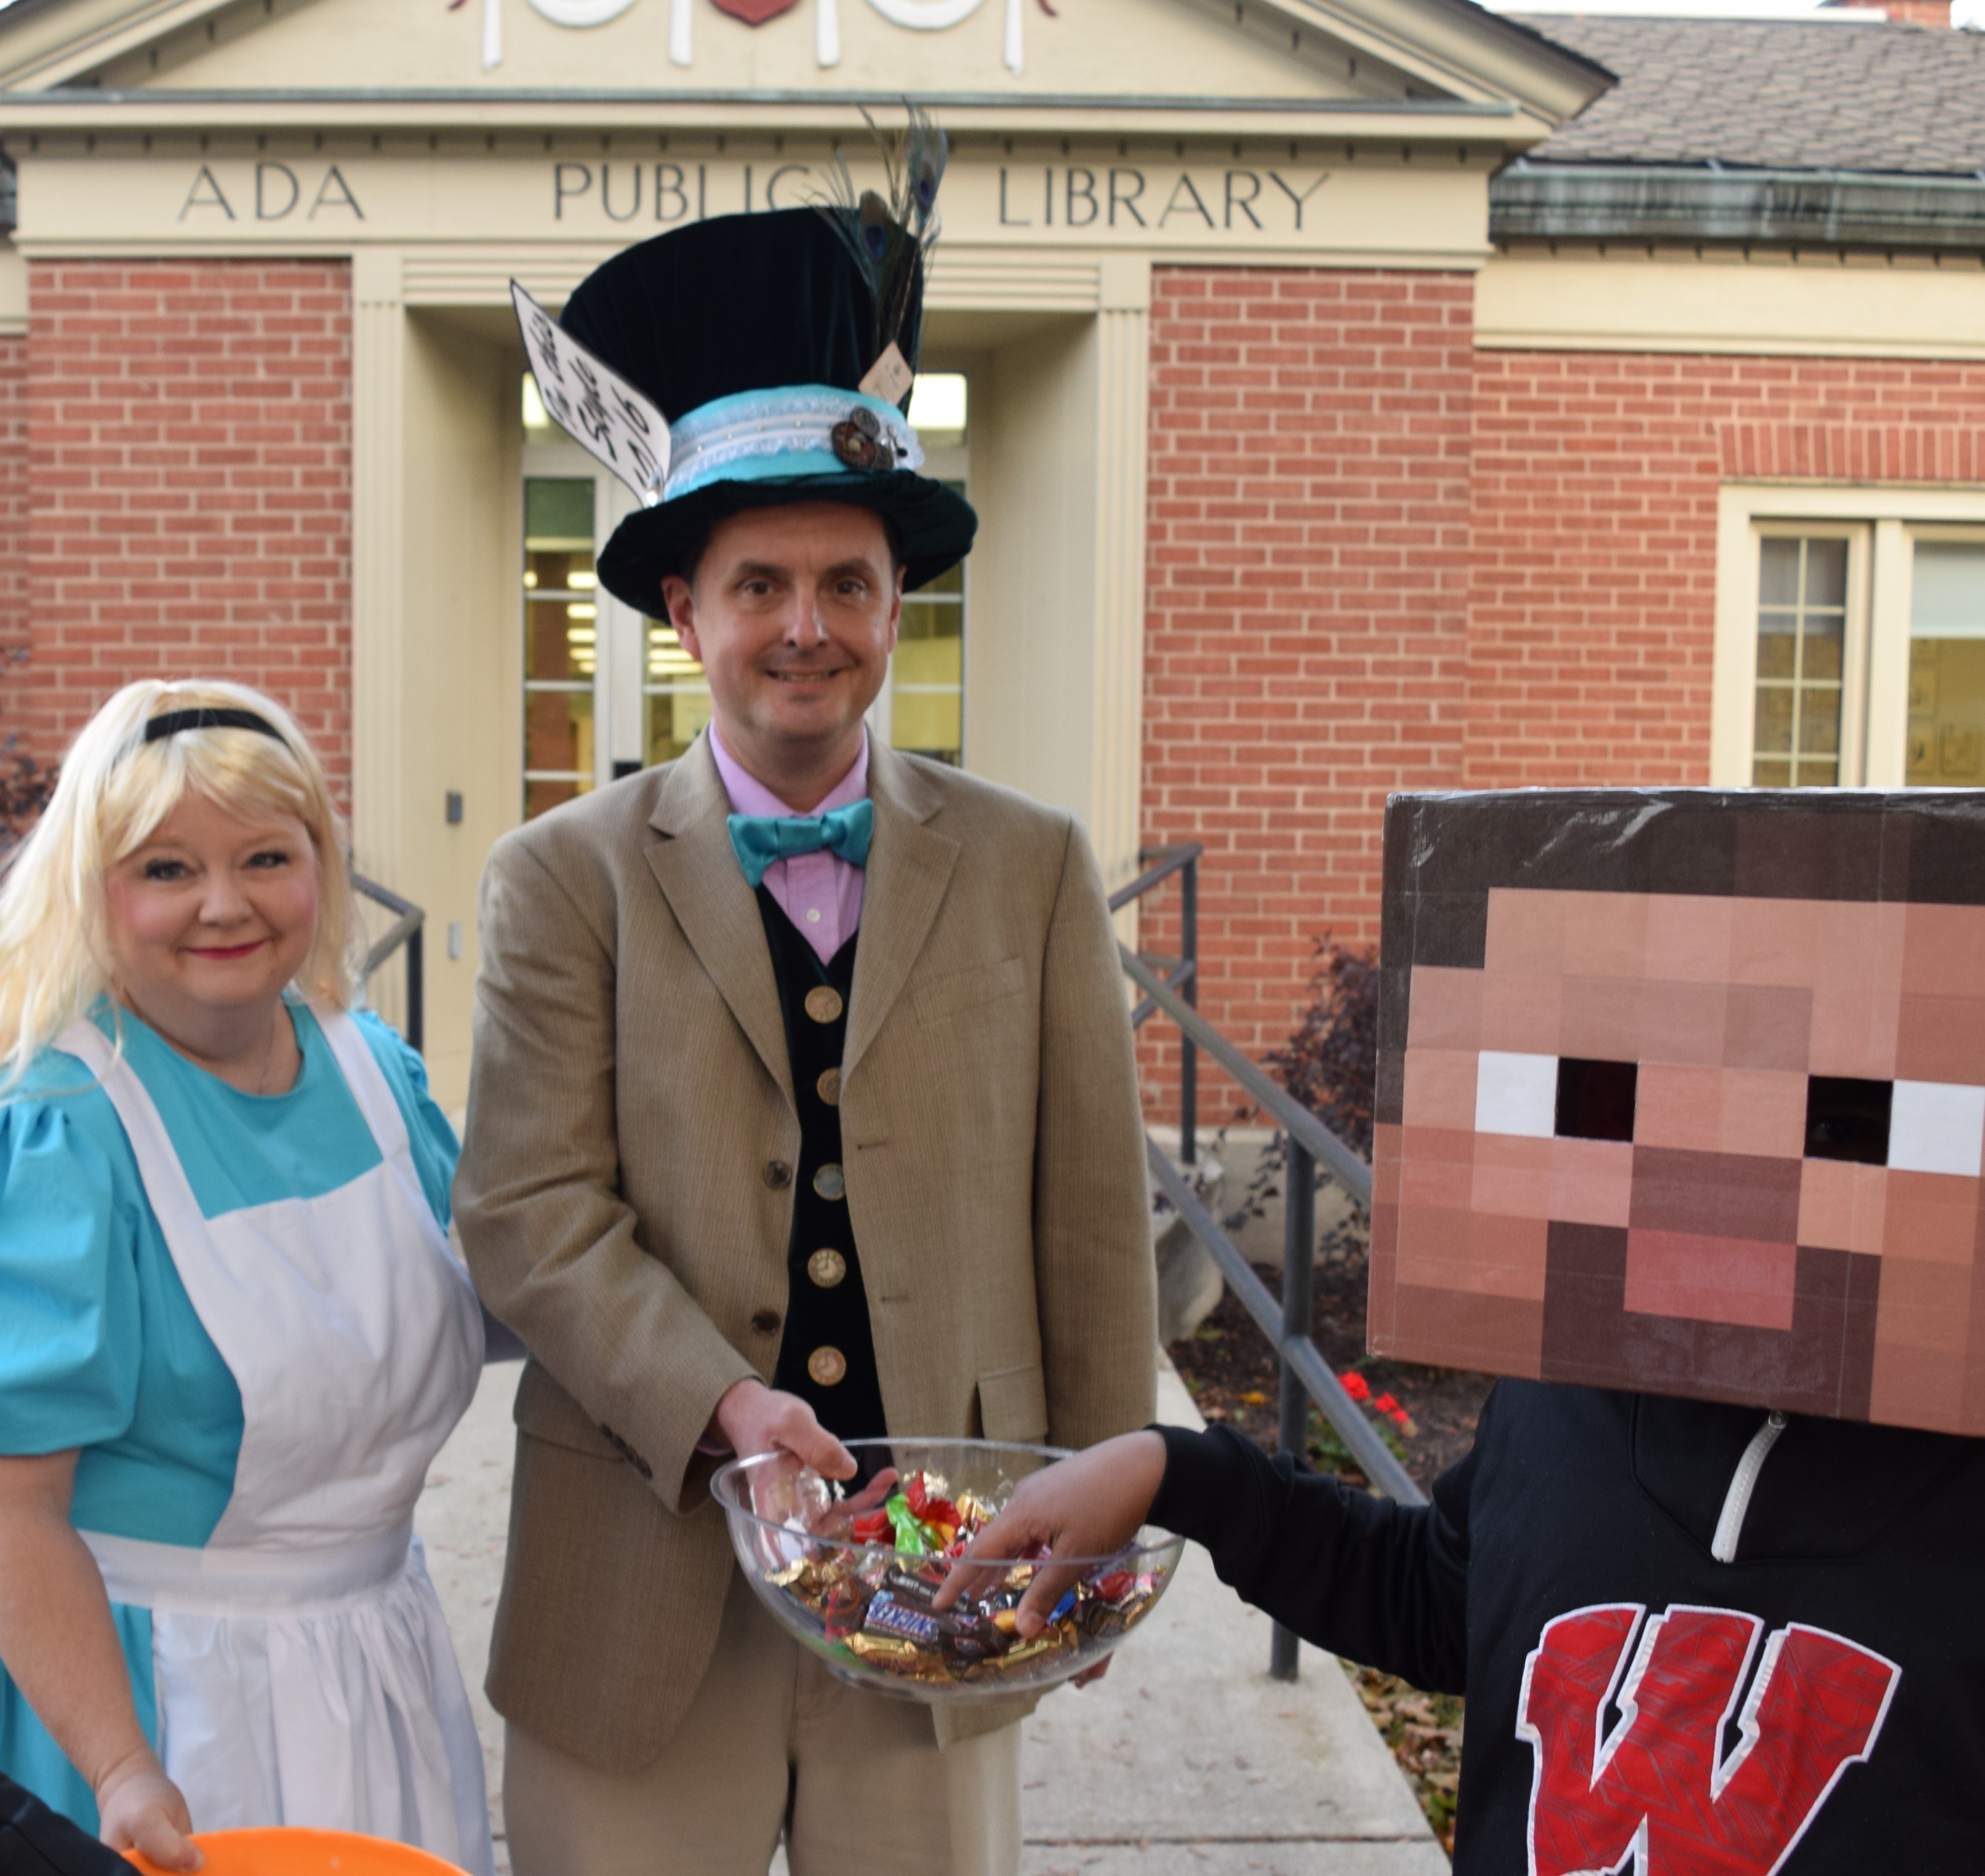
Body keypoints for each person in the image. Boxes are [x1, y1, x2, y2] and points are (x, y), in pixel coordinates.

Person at [454, 198, 1157, 1876]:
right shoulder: (561, 878)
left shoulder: (1032, 863)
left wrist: (1110, 1499)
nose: (804, 625)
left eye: (847, 582)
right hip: (640, 1575)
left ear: (897, 602)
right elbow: (527, 1213)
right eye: (757, 583)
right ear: (682, 609)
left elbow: (1088, 1224)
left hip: (953, 1572)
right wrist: (723, 1403)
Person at [0, 681, 492, 1875]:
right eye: (165, 869)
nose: (224, 904)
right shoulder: (68, 1126)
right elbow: (14, 1505)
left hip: (379, 1658)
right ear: (92, 889)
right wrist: (119, 1764)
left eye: (266, 857)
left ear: (320, 864)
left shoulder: (378, 1075)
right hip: (159, 1699)